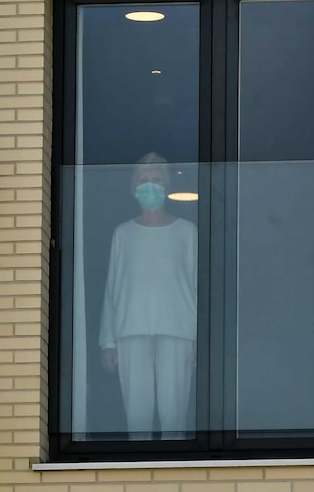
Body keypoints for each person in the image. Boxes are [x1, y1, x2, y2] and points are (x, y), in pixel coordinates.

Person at [98, 152, 197, 439]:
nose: (150, 186)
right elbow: (112, 289)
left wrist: (199, 338)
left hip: (178, 330)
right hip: (130, 330)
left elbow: (196, 286)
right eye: (144, 180)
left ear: (166, 185)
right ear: (134, 187)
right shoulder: (123, 234)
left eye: (156, 180)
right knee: (137, 418)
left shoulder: (186, 233)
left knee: (174, 416)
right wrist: (107, 341)